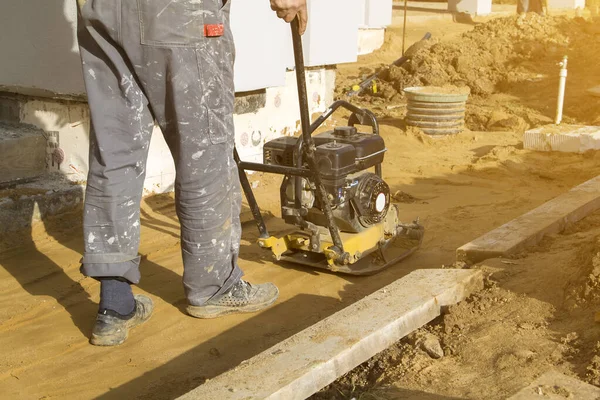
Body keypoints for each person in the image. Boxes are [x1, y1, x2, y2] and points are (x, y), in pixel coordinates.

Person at [75, 0, 308, 346]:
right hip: (176, 12)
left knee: (115, 148)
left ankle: (114, 304)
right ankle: (213, 286)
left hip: (103, 9)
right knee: (204, 148)